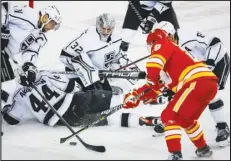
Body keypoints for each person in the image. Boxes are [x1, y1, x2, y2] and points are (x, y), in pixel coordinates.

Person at [122, 28, 218, 159]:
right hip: (207, 84)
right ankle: (203, 149)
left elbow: (153, 66)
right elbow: (155, 88)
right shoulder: (171, 62)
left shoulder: (162, 43)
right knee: (186, 120)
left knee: (168, 115)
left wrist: (152, 79)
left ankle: (175, 154)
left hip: (196, 82)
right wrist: (136, 97)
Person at [1, 71, 163, 133]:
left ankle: (145, 122)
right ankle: (150, 96)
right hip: (76, 101)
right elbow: (71, 85)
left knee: (107, 118)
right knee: (115, 99)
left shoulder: (18, 98)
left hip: (64, 120)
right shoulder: (43, 75)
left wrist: (5, 106)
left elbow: (12, 119)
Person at [154, 21, 230, 147]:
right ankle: (172, 119)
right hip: (195, 72)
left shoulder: (188, 37)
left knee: (210, 94)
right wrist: (168, 87)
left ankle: (223, 127)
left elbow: (216, 43)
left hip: (218, 62)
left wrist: (210, 61)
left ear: (173, 34)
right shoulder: (164, 50)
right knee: (181, 93)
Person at [59, 13, 140, 97]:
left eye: (109, 29)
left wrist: (126, 65)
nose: (105, 32)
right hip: (81, 73)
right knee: (96, 97)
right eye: (103, 28)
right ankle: (79, 90)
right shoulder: (87, 37)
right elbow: (65, 54)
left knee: (105, 95)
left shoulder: (117, 38)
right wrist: (87, 71)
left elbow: (117, 57)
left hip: (100, 75)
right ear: (98, 25)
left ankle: (101, 89)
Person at [1, 2, 62, 102]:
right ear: (46, 17)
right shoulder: (29, 14)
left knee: (10, 87)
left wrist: (29, 67)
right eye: (52, 23)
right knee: (8, 85)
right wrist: (2, 29)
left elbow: (31, 51)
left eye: (54, 26)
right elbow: (4, 8)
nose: (51, 28)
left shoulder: (42, 36)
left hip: (4, 54)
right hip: (3, 52)